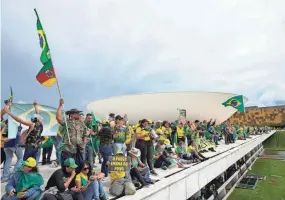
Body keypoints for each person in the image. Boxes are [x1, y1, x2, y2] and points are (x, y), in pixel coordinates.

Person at [56, 99, 88, 167]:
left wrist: (84, 144)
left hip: (79, 149)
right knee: (68, 166)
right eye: (76, 113)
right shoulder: (67, 122)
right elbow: (58, 118)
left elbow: (85, 135)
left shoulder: (82, 123)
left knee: (79, 166)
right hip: (68, 149)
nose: (78, 114)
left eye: (78, 113)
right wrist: (60, 106)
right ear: (72, 114)